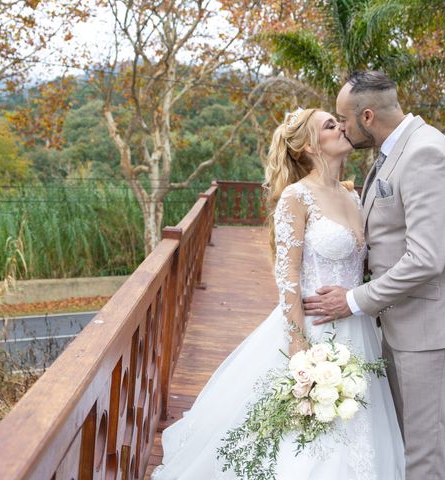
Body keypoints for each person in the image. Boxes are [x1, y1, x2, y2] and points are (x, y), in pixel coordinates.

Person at [151, 107, 405, 479]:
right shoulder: (296, 198)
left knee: (359, 429)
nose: (341, 128)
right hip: (313, 329)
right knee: (304, 435)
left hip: (358, 328)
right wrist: (299, 347)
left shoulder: (354, 196)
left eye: (338, 122)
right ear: (306, 146)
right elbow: (286, 276)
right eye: (330, 125)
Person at [304, 71, 445, 479]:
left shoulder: (425, 155)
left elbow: (425, 259)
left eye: (343, 119)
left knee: (421, 454)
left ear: (366, 116)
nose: (340, 127)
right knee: (399, 442)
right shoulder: (395, 151)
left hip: (430, 327)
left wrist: (351, 300)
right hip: (402, 320)